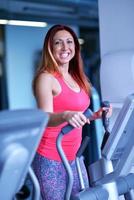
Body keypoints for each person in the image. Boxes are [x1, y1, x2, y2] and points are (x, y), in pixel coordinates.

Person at [32, 24, 112, 200]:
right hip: (50, 157)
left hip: (75, 157)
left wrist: (95, 115)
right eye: (58, 43)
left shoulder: (77, 77)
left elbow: (78, 113)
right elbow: (44, 117)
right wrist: (65, 115)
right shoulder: (46, 78)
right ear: (50, 48)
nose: (65, 47)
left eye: (69, 42)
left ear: (75, 47)